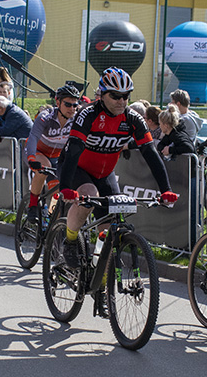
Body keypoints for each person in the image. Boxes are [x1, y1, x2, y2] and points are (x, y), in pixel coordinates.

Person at [57, 67, 178, 276]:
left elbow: (150, 154)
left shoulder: (133, 119)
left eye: (126, 96)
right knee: (89, 194)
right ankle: (70, 240)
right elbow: (74, 151)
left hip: (104, 174)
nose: (122, 101)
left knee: (108, 234)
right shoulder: (88, 114)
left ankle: (101, 285)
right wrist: (66, 187)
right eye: (115, 96)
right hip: (77, 168)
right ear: (102, 95)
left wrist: (165, 189)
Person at [24, 84, 80, 221]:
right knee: (44, 167)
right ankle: (32, 205)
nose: (72, 109)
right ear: (58, 103)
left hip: (57, 158)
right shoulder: (46, 117)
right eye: (68, 104)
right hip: (37, 152)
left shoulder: (76, 120)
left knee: (59, 193)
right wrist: (31, 158)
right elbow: (33, 137)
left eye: (75, 105)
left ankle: (53, 223)